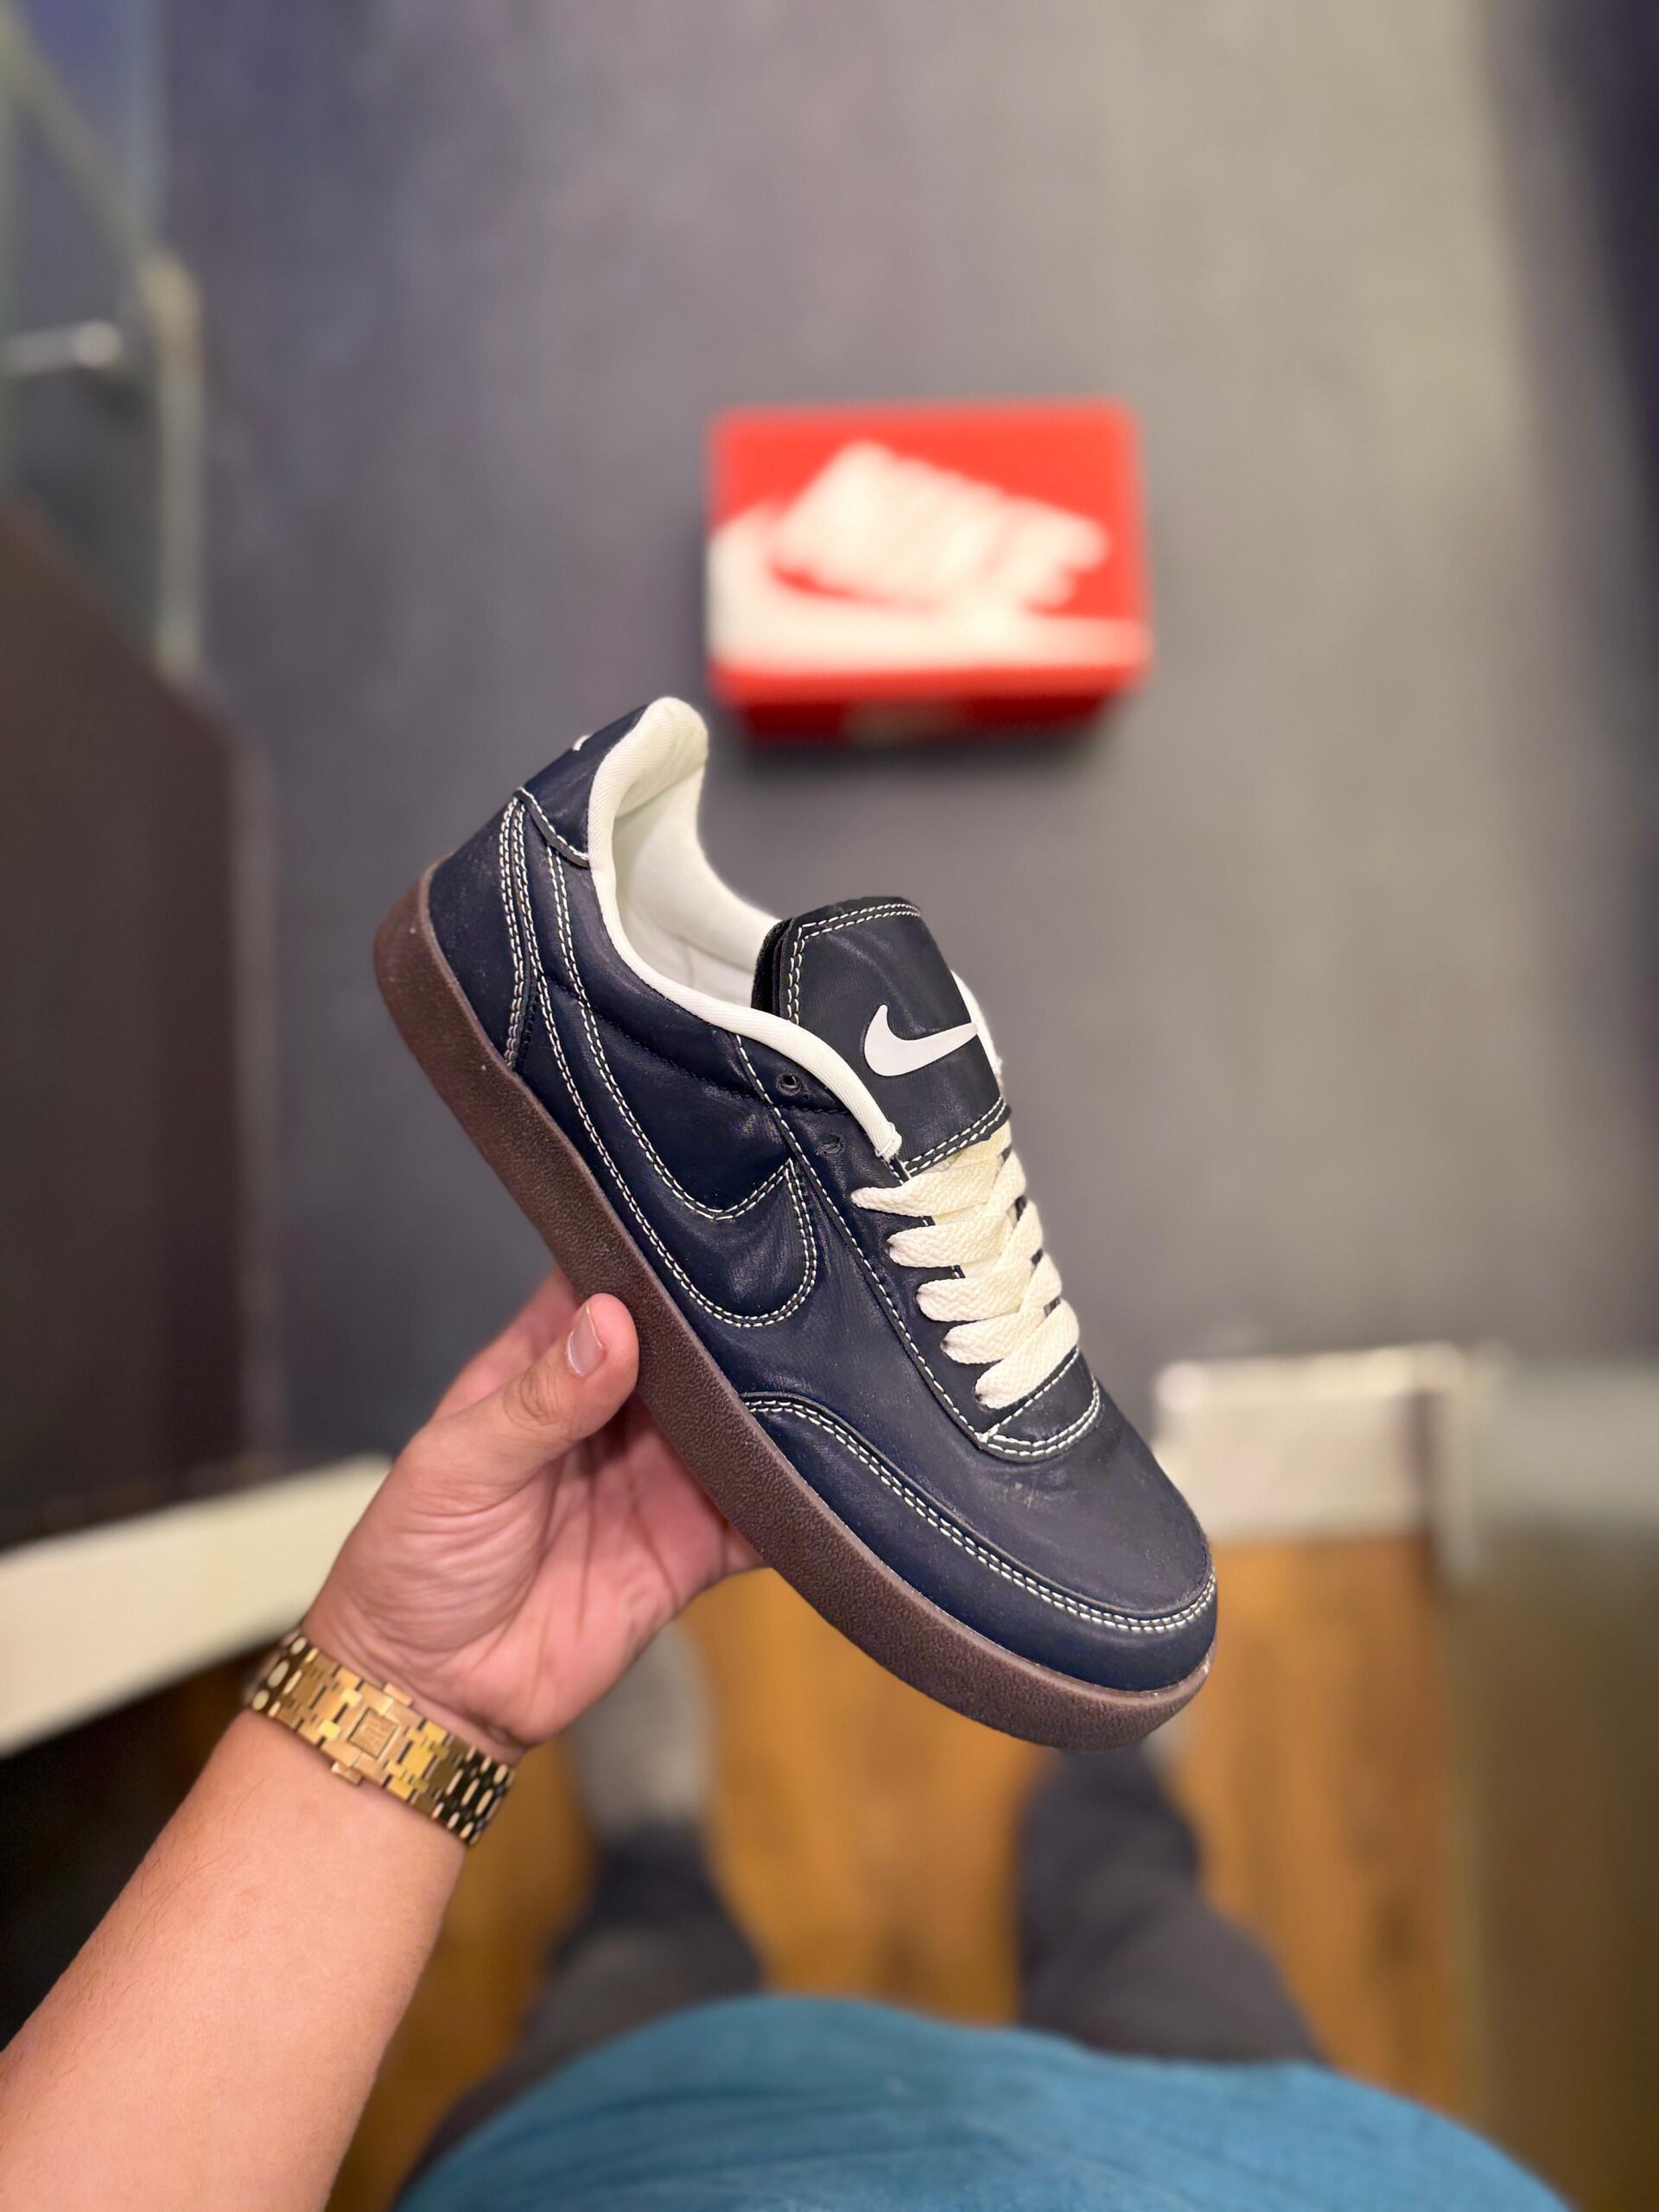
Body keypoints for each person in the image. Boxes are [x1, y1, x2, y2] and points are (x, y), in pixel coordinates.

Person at [0, 1275, 1560, 2210]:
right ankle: (1103, 1772)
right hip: (1289, 2164)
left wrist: (419, 1692)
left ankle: (662, 1854)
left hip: (634, 2144)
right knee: (1152, 1923)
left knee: (643, 1951)